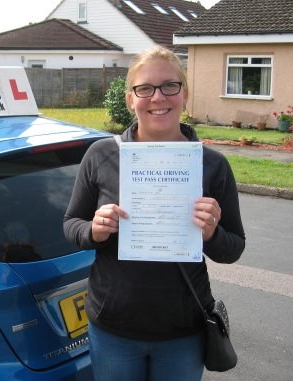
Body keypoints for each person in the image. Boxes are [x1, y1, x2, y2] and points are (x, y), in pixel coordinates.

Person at [63, 45, 245, 381]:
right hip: (113, 326)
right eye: (144, 88)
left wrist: (212, 234)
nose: (157, 97)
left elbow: (233, 247)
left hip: (183, 330)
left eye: (169, 86)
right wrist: (94, 230)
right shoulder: (101, 155)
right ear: (131, 99)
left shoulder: (212, 164)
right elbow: (71, 225)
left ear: (184, 94)